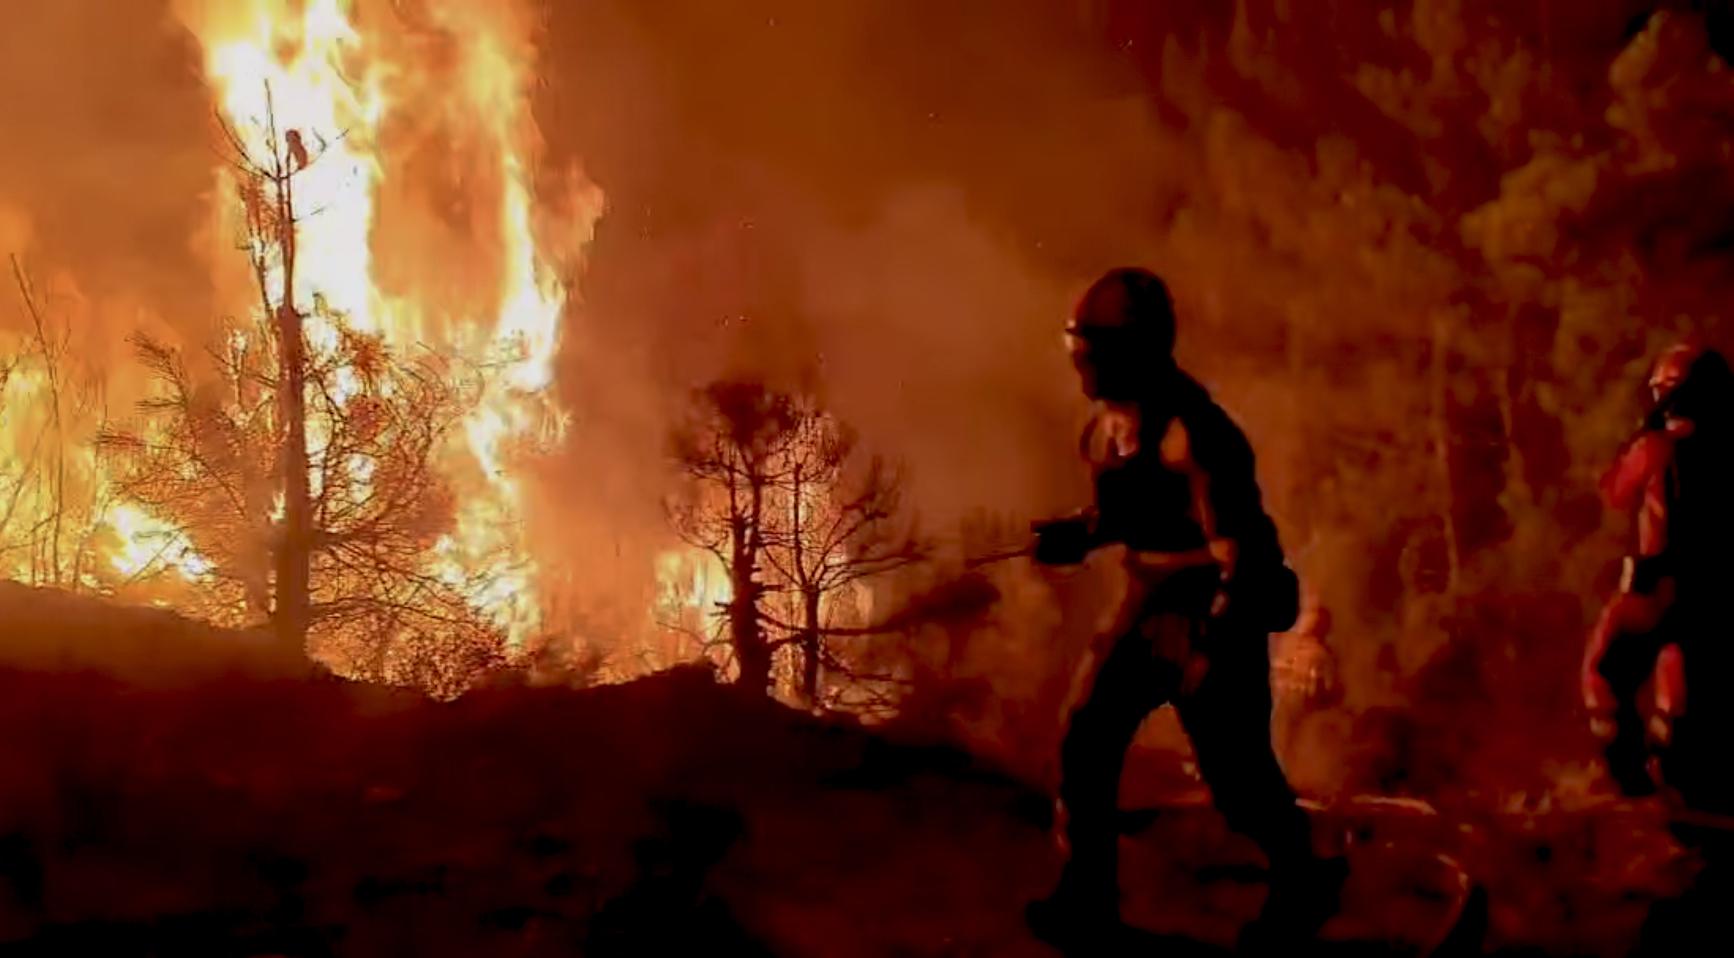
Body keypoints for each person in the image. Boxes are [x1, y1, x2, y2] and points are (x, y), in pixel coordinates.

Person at [1025, 267, 1340, 950]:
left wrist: (1212, 648)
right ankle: (1087, 896)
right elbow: (1128, 512)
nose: (1082, 370)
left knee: (1238, 778)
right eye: (1078, 354)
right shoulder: (1109, 428)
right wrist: (1079, 534)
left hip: (1207, 604)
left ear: (1132, 351)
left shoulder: (1195, 435)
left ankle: (1302, 881)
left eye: (1093, 355)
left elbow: (1245, 555)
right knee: (1086, 740)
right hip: (1147, 600)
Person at [1583, 342, 1734, 802]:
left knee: (1603, 675)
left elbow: (1612, 491)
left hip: (1652, 593)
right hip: (1712, 596)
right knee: (1682, 696)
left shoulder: (1656, 450)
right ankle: (1686, 783)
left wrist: (1643, 433)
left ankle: (1630, 783)